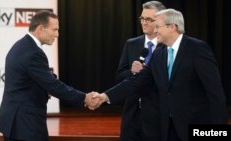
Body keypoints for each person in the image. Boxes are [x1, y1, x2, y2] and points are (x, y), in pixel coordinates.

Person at [94, 9, 228, 141]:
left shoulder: (197, 48)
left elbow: (215, 92)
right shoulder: (159, 53)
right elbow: (136, 81)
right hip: (166, 128)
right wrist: (105, 96)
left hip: (195, 124)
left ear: (172, 27)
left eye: (158, 26)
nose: (155, 30)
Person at [0, 10, 99, 141]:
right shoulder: (33, 52)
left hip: (15, 122)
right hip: (25, 125)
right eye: (54, 30)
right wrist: (84, 98)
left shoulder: (21, 46)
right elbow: (52, 85)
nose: (57, 34)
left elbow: (34, 79)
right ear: (40, 29)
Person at [115, 1, 165, 141]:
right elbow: (119, 77)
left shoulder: (167, 46)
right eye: (142, 18)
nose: (144, 22)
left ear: (161, 20)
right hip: (131, 116)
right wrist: (131, 71)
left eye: (149, 19)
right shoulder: (132, 44)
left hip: (157, 116)